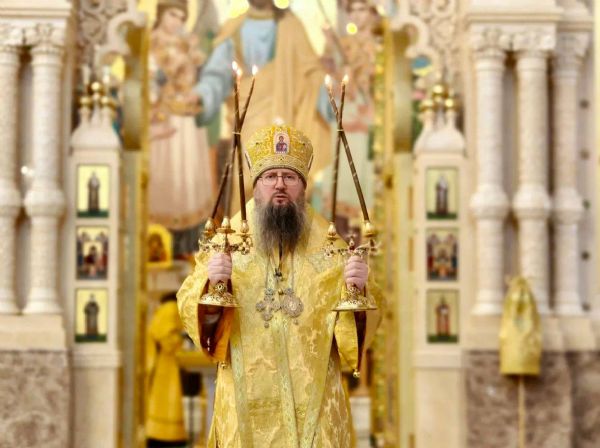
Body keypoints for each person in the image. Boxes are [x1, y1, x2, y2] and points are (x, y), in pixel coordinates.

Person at [178, 125, 381, 447]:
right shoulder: (226, 243)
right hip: (245, 402)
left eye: (290, 177)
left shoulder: (332, 250)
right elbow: (193, 311)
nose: (280, 185)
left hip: (314, 403)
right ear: (256, 186)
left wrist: (357, 289)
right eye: (270, 177)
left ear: (303, 186)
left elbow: (354, 340)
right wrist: (212, 285)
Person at [192, 0, 331, 176]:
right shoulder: (233, 28)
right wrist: (201, 95)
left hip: (284, 116)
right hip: (247, 119)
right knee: (248, 178)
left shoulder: (291, 25)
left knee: (282, 179)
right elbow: (217, 74)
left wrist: (332, 100)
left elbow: (311, 72)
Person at [148, 0, 214, 253]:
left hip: (187, 118)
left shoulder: (186, 42)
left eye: (181, 17)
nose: (177, 21)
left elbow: (199, 70)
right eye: (172, 15)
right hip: (164, 117)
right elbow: (150, 80)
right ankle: (161, 245)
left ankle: (190, 245)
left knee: (189, 177)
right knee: (167, 176)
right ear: (161, 14)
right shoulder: (151, 42)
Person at [146, 293, 187, 447]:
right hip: (167, 366)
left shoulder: (165, 309)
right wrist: (182, 341)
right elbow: (167, 338)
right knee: (168, 408)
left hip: (163, 365)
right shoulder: (170, 308)